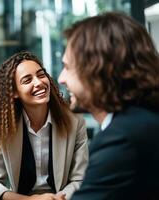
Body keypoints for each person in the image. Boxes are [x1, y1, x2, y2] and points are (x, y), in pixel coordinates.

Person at [58, 12, 159, 200]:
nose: (61, 78)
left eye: (68, 67)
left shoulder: (122, 138)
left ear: (98, 68)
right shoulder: (144, 119)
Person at [0, 51, 89, 200]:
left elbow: (80, 179)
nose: (39, 82)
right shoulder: (3, 127)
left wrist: (55, 199)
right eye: (27, 80)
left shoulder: (75, 121)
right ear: (14, 92)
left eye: (41, 75)